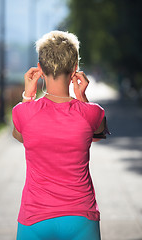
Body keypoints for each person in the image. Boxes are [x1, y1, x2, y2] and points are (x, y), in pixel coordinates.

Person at [12, 30, 110, 240]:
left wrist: (27, 95)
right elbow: (99, 132)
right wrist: (82, 97)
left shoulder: (23, 112)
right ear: (75, 68)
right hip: (81, 217)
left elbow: (20, 136)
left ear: (40, 68)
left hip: (34, 218)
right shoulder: (92, 113)